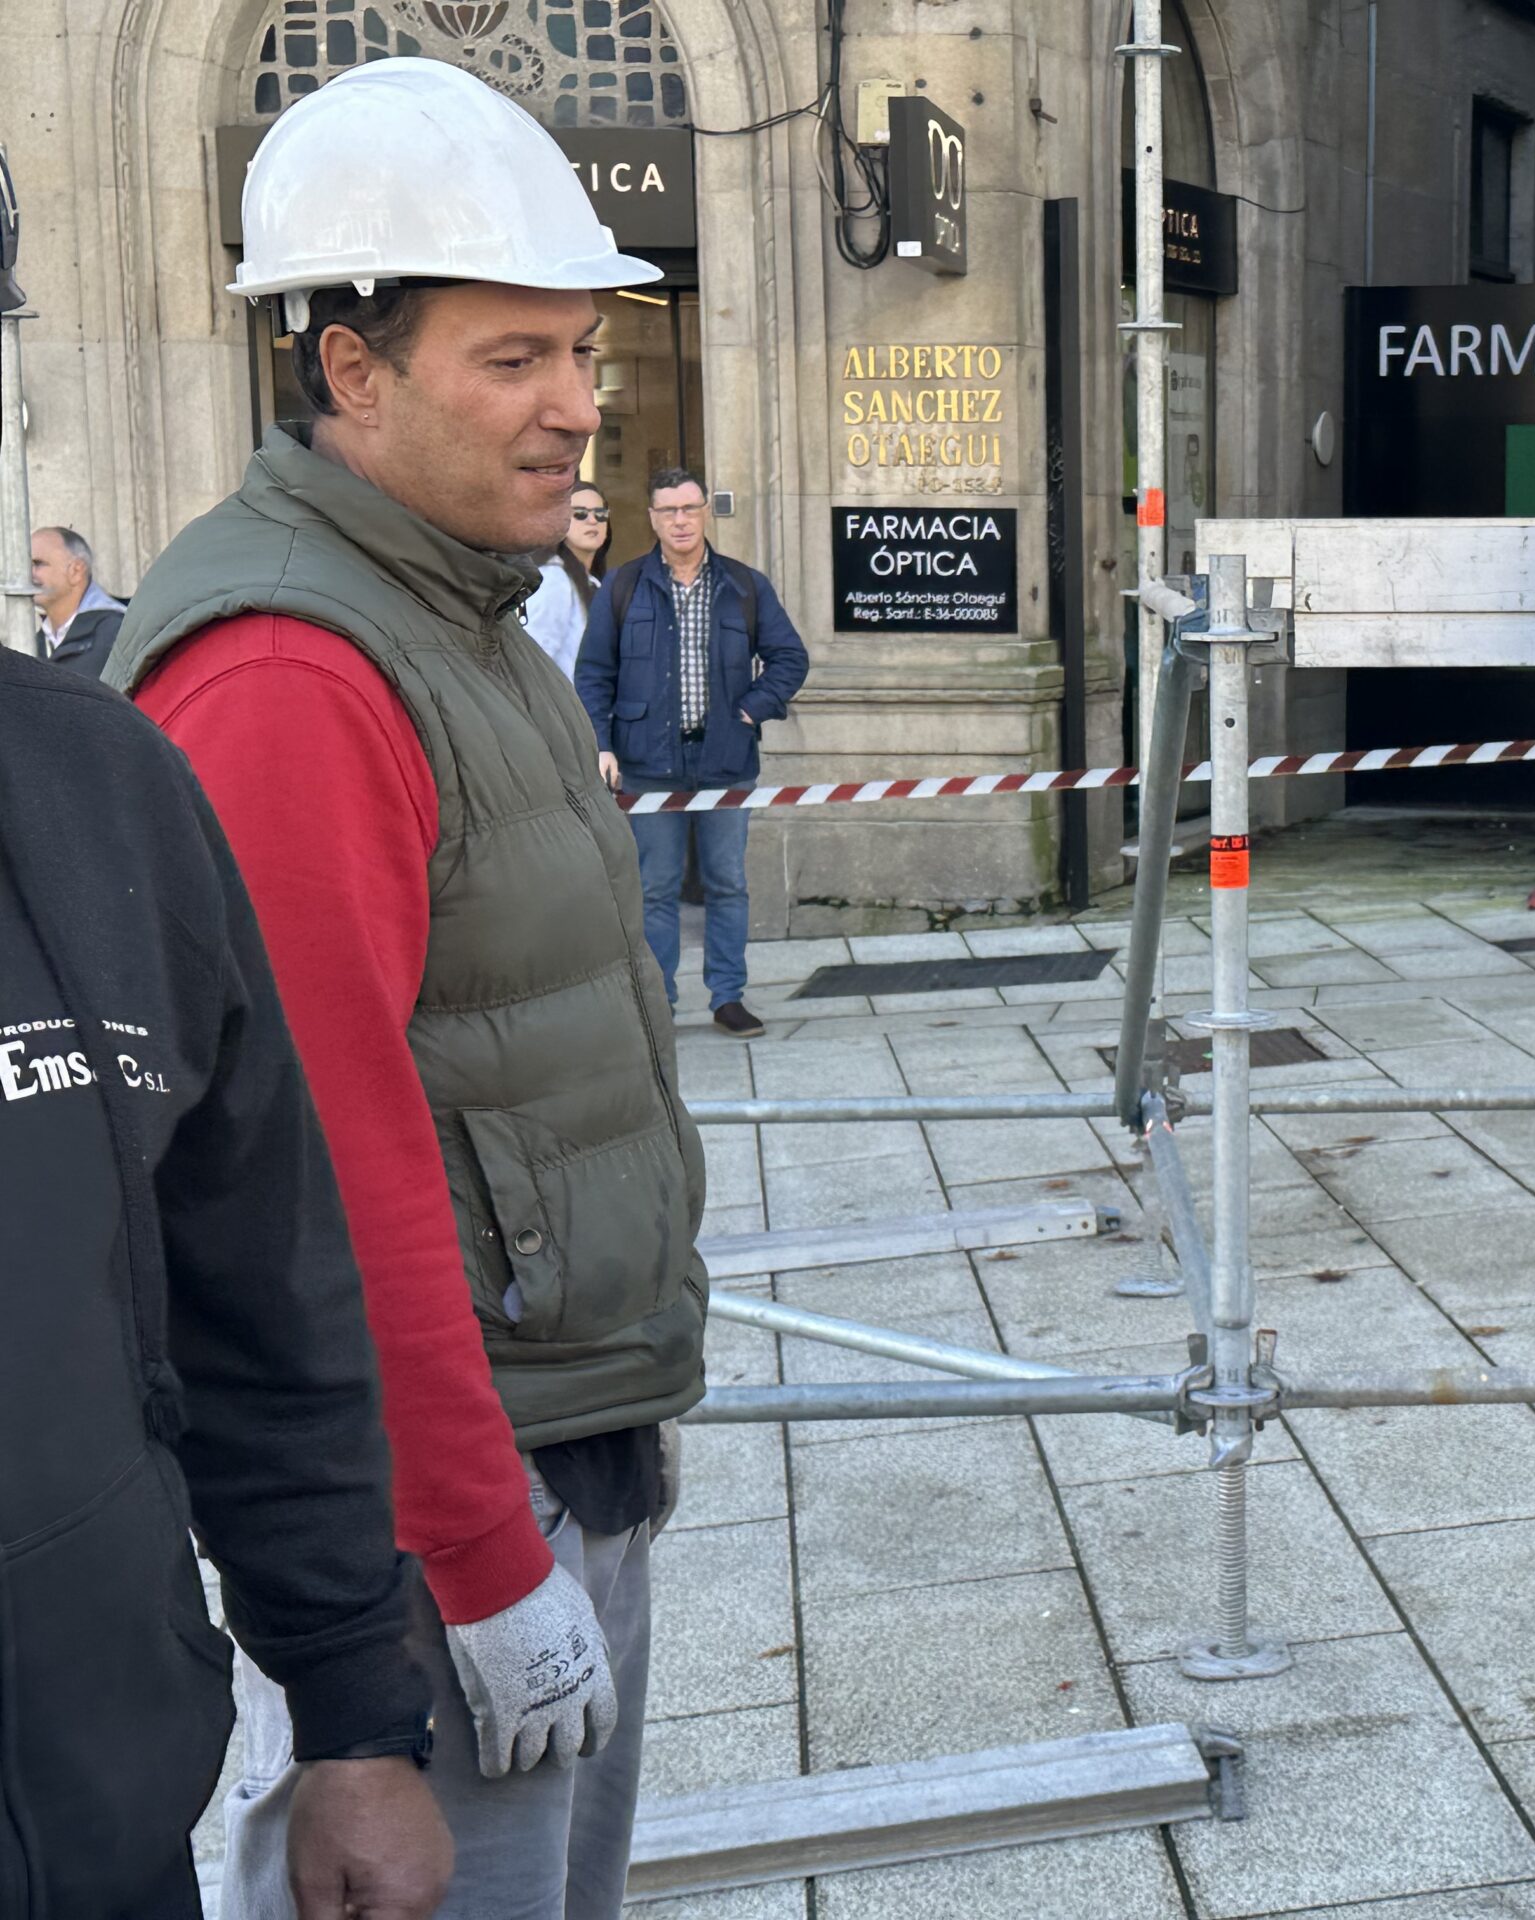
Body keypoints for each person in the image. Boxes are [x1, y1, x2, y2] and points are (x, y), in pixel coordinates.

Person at [103, 58, 708, 1920]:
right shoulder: (291, 666)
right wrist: (470, 1560)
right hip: (453, 1510)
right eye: (511, 359)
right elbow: (319, 1187)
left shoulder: (450, 598)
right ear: (349, 368)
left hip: (553, 1434)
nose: (575, 411)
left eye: (584, 355)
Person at [0, 650, 451, 1915]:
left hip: (103, 1835)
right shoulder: (268, 664)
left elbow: (261, 1282)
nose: (585, 432)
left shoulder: (94, 771)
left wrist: (356, 1711)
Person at [577, 465, 807, 1040]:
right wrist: (600, 743)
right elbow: (593, 673)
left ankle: (728, 997)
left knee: (727, 882)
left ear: (704, 512)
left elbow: (789, 658)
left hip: (726, 762)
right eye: (668, 510)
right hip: (648, 765)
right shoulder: (625, 587)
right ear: (652, 518)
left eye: (689, 508)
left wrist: (754, 708)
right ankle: (662, 1004)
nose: (680, 520)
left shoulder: (745, 586)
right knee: (655, 888)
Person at [523, 480, 612, 678]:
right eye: (580, 513)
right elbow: (533, 663)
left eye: (600, 514)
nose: (592, 521)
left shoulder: (595, 583)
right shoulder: (554, 580)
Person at [32, 523, 125, 677]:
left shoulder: (117, 633)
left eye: (38, 563)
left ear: (76, 570)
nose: (28, 574)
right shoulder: (35, 642)